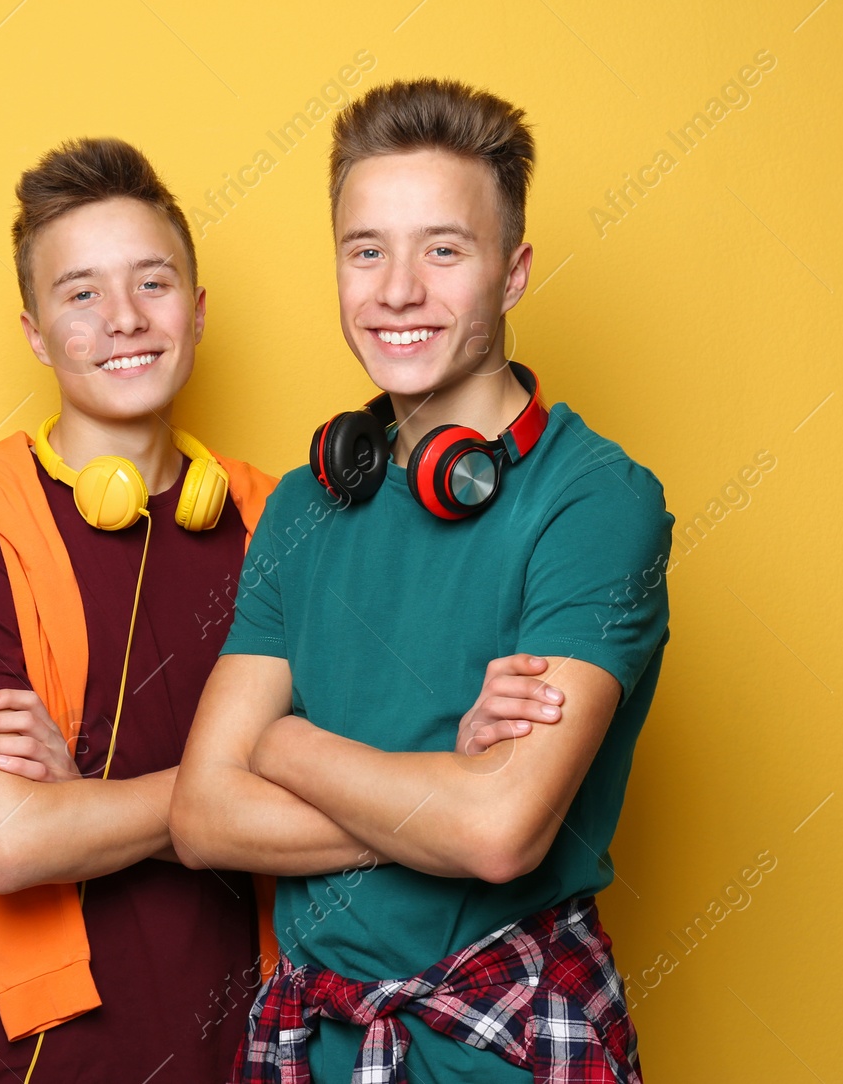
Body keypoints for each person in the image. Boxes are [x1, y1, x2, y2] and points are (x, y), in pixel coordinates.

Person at [0, 135, 563, 1082]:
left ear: (196, 308)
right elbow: (14, 842)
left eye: (152, 283)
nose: (122, 320)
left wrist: (92, 804)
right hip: (49, 1050)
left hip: (270, 1038)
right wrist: (422, 799)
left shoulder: (292, 518)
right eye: (81, 294)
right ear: (33, 332)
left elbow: (391, 755)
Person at [170, 79, 674, 1083]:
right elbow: (201, 815)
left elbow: (495, 833)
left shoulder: (597, 503)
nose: (397, 290)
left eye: (443, 249)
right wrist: (438, 785)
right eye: (367, 250)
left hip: (510, 1039)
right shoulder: (303, 504)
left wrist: (285, 743)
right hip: (310, 1043)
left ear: (513, 271)